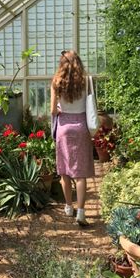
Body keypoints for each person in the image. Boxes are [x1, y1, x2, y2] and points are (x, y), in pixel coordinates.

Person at [50, 50, 94, 226]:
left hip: (64, 128)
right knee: (80, 173)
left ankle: (69, 207)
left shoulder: (56, 82)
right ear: (78, 63)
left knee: (65, 171)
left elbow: (53, 110)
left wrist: (61, 110)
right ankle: (81, 212)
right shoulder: (86, 81)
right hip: (81, 127)